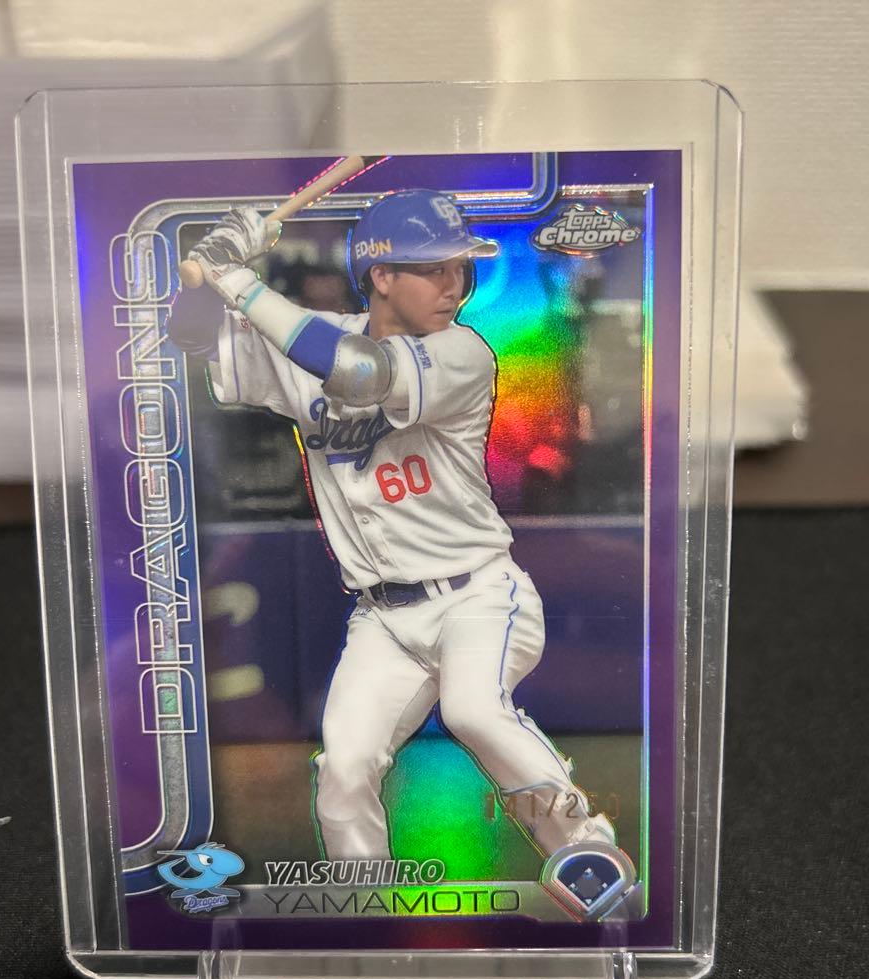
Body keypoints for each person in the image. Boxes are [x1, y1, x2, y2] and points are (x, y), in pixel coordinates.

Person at [168, 188, 620, 864]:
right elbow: (194, 340)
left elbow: (357, 371)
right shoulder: (306, 340)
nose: (454, 284)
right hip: (381, 617)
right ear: (381, 275)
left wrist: (238, 281)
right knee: (344, 766)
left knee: (474, 711)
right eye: (433, 268)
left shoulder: (461, 352)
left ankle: (583, 848)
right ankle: (364, 897)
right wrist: (202, 274)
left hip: (476, 596)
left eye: (459, 267)